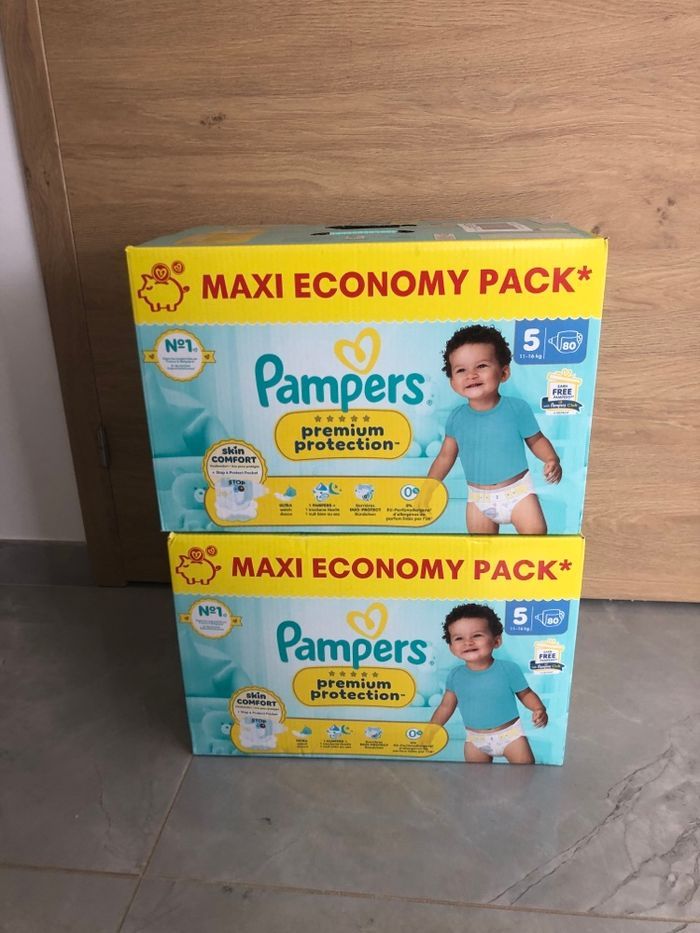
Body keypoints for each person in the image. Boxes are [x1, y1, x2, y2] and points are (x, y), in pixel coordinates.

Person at [427, 325, 561, 534]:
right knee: (481, 547)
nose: (471, 375)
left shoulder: (516, 408)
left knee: (535, 537)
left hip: (518, 493)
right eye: (461, 370)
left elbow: (536, 440)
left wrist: (552, 459)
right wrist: (429, 487)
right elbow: (445, 457)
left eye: (481, 366)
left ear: (504, 372)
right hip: (478, 499)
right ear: (453, 382)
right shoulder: (456, 418)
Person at [430, 603, 547, 764]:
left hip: (510, 735)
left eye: (477, 635)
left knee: (525, 770)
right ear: (451, 648)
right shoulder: (455, 675)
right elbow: (445, 707)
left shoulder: (508, 669)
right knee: (476, 776)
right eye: (459, 638)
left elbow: (525, 693)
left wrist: (539, 708)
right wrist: (431, 730)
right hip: (475, 739)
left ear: (496, 641)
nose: (468, 642)